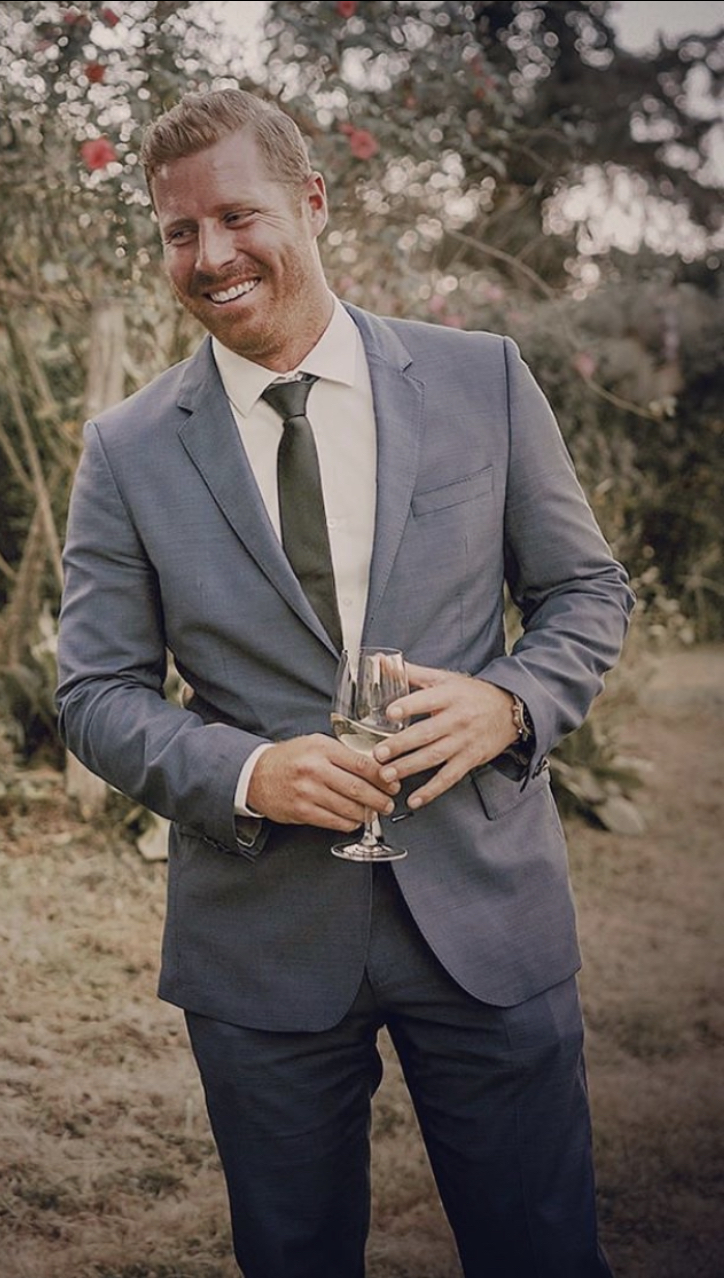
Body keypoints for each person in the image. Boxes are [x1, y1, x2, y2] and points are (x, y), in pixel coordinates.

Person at [56, 87, 635, 1278]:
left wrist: (509, 702)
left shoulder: (481, 379)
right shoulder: (126, 449)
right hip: (259, 940)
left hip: (487, 913)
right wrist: (248, 774)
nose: (210, 256)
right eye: (178, 232)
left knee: (541, 1249)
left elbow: (586, 591)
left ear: (311, 202)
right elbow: (95, 692)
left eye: (238, 216)